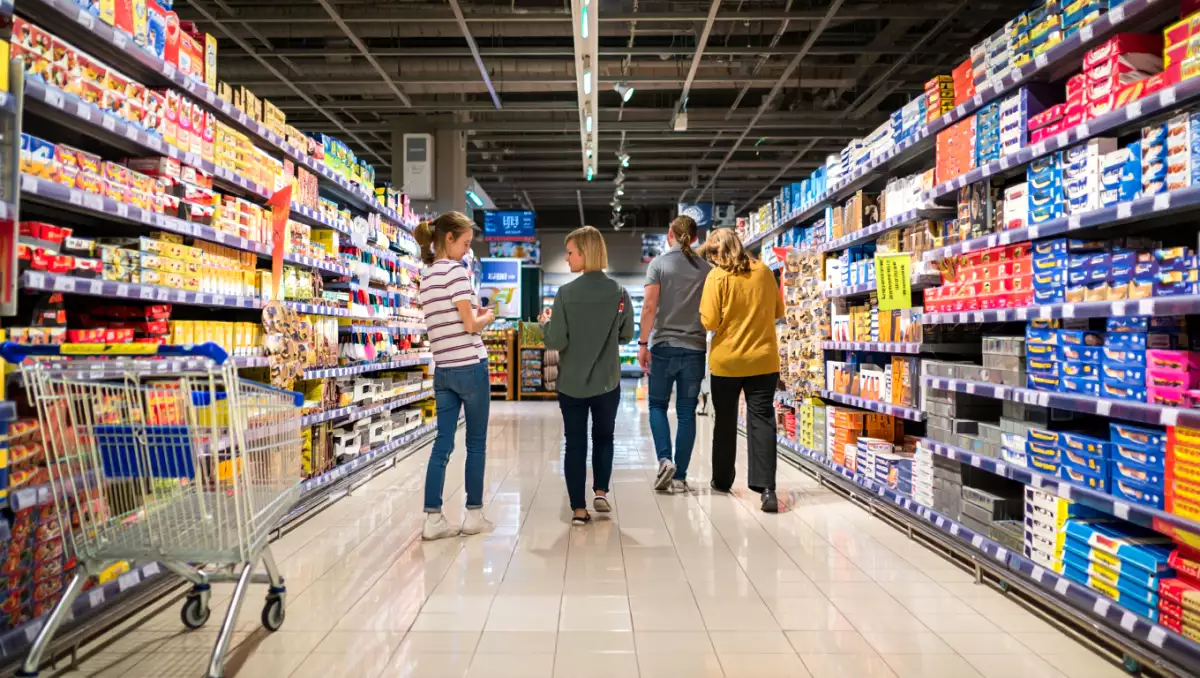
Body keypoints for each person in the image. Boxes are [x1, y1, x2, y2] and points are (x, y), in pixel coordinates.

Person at [541, 226, 635, 526]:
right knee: (604, 437)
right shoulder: (619, 293)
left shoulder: (566, 294)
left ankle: (579, 510)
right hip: (608, 381)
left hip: (571, 383)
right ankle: (600, 491)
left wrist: (546, 324)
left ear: (584, 253)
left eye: (570, 252)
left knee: (575, 443)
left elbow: (556, 341)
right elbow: (626, 335)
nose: (567, 259)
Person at [414, 212, 496, 540]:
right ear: (449, 239)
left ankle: (432, 519)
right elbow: (469, 324)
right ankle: (473, 515)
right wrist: (487, 316)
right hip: (470, 366)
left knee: (442, 443)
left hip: (443, 369)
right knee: (475, 443)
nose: (466, 251)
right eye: (464, 243)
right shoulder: (456, 272)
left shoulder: (427, 275)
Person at [699, 229, 784, 513]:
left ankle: (722, 480)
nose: (712, 259)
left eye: (713, 253)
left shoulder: (717, 277)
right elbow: (778, 311)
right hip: (763, 360)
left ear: (721, 250)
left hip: (727, 362)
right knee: (762, 421)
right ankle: (767, 489)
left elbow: (709, 321)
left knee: (725, 421)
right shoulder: (765, 272)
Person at [638, 215, 711, 493]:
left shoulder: (658, 265)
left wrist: (643, 344)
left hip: (663, 347)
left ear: (670, 234)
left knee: (656, 405)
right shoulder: (706, 269)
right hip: (695, 349)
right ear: (694, 238)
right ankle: (680, 476)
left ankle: (665, 460)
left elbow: (648, 307)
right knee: (686, 412)